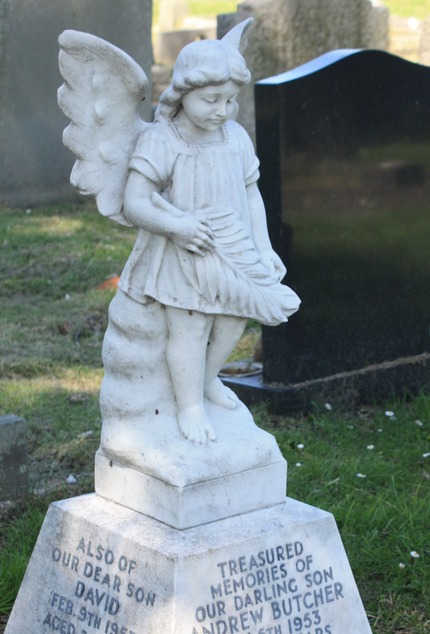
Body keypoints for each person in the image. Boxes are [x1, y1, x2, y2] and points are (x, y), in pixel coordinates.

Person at [118, 28, 299, 445]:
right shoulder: (162, 140)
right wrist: (179, 227)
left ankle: (207, 378)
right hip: (185, 251)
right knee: (191, 328)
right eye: (212, 100)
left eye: (231, 100)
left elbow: (251, 194)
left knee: (234, 319)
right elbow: (135, 202)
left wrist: (263, 247)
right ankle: (189, 407)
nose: (223, 111)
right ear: (182, 93)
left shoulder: (235, 137)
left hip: (232, 246)